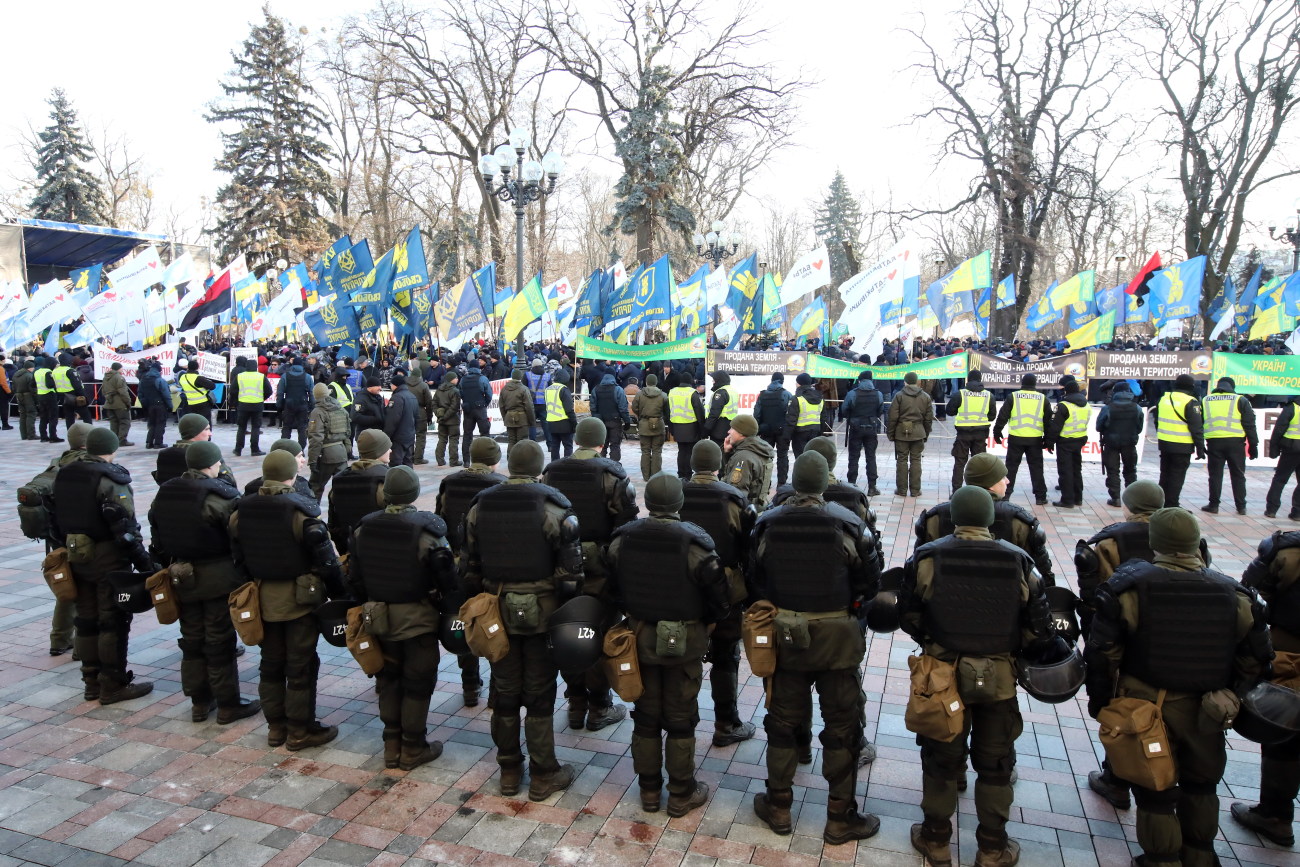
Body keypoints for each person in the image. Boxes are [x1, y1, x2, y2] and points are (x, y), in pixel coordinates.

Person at [1085, 508, 1271, 867]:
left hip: (1147, 706)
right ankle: (1200, 855)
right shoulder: (1234, 594)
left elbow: (1103, 653)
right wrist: (1233, 694)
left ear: (1155, 542)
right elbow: (1257, 658)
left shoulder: (1130, 589)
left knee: (1155, 789)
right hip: (1208, 709)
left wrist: (1101, 702)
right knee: (1202, 785)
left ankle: (1161, 859)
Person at [901, 485, 1056, 867]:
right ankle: (992, 848)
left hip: (943, 676)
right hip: (998, 678)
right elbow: (1038, 628)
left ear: (954, 517)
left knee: (940, 758)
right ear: (989, 518)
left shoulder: (927, 557)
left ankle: (936, 839)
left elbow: (909, 614)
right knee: (996, 764)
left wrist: (935, 643)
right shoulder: (1019, 561)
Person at [748, 452, 882, 844]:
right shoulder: (849, 524)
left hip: (785, 638)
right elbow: (870, 582)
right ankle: (840, 818)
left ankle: (778, 806)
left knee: (782, 723)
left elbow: (756, 579)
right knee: (842, 728)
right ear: (825, 483)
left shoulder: (767, 523)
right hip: (838, 641)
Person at [1075, 479, 1212, 811]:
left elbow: (1096, 599)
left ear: (1128, 506)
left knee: (1125, 710)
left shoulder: (1109, 542)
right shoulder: (1190, 540)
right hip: (1185, 646)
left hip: (1128, 642)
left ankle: (1117, 779)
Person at [461, 440, 582, 800]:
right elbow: (571, 577)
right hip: (543, 616)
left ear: (509, 465)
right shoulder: (554, 509)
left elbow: (468, 567)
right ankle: (544, 773)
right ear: (539, 468)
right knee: (540, 693)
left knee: (504, 689)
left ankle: (509, 770)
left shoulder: (480, 506)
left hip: (496, 614)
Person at [603, 472, 728, 817]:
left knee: (645, 716)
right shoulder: (696, 547)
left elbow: (613, 589)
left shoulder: (622, 540)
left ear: (648, 501)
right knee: (680, 718)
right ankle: (681, 792)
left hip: (639, 639)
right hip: (684, 644)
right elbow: (719, 601)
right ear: (679, 503)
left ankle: (648, 791)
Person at [230, 450, 346, 751]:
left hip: (262, 599)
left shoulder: (240, 512)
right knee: (300, 667)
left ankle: (276, 728)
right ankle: (300, 730)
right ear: (292, 476)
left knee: (270, 664)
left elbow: (238, 559)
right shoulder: (301, 514)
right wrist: (341, 598)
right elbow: (327, 563)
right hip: (299, 602)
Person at [348, 466, 456, 770]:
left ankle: (391, 745)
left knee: (388, 679)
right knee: (418, 683)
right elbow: (448, 580)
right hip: (418, 621)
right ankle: (413, 747)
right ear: (414, 493)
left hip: (377, 619)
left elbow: (354, 578)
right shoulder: (427, 533)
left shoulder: (363, 529)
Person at [148, 441, 260, 725]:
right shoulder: (220, 497)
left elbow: (157, 538)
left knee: (192, 640)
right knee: (219, 641)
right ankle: (228, 704)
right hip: (219, 578)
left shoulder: (166, 493)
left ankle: (199, 702)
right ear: (212, 464)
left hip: (181, 576)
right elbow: (240, 538)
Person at [542, 417, 637, 731]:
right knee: (597, 633)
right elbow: (626, 527)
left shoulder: (551, 471)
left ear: (577, 441)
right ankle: (599, 706)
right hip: (599, 569)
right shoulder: (611, 474)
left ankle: (575, 703)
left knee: (568, 630)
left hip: (560, 567)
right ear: (602, 443)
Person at [51, 428, 156, 704]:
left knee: (86, 619)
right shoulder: (110, 478)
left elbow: (54, 514)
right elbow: (125, 526)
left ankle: (91, 682)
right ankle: (112, 684)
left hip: (76, 554)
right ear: (112, 448)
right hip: (108, 556)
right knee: (112, 621)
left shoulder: (65, 472)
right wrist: (144, 562)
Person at [680, 440, 756, 747]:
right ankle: (727, 723)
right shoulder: (733, 498)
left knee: (684, 657)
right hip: (726, 588)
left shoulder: (677, 494)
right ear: (718, 466)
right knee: (726, 656)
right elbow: (747, 547)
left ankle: (684, 721)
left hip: (684, 586)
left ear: (693, 464)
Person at [1234, 528, 1300, 847]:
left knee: (1284, 734)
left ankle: (1275, 816)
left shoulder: (1287, 552)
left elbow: (1250, 596)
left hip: (1292, 657)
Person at [435, 437, 506, 707]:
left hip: (458, 565)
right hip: (489, 566)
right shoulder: (499, 485)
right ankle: (497, 690)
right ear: (494, 461)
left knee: (464, 621)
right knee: (495, 625)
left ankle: (469, 685)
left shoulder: (449, 482)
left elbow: (440, 521)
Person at [915, 453, 1056, 586]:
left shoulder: (936, 517)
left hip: (943, 597)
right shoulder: (1018, 521)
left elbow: (917, 567)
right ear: (990, 484)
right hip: (1005, 599)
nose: (1007, 481)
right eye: (1003, 477)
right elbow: (1041, 576)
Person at [23, 421, 94, 656]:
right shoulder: (86, 467)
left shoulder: (58, 462)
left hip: (57, 538)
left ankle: (59, 639)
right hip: (81, 539)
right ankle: (82, 647)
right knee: (87, 593)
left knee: (66, 589)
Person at [327, 429, 392, 553]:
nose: (390, 450)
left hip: (351, 551)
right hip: (381, 552)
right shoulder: (386, 481)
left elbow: (334, 526)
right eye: (387, 448)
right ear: (378, 451)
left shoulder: (340, 480)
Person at [1200, 376, 1257, 516]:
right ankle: (1241, 507)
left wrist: (1200, 444)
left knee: (1215, 475)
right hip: (1235, 443)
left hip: (1214, 442)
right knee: (1238, 475)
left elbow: (1199, 423)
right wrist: (1253, 445)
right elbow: (1249, 425)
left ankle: (1213, 505)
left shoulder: (1206, 400)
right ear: (1232, 387)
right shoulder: (1240, 400)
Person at [992, 373, 1051, 505]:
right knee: (1037, 468)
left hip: (1016, 438)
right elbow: (1048, 422)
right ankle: (1040, 497)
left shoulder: (1013, 396)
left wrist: (997, 431)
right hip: (1035, 439)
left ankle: (1006, 495)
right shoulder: (1042, 398)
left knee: (1011, 468)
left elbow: (1003, 415)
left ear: (1022, 383)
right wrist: (1048, 439)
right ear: (1035, 384)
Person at [1152, 373, 1206, 509]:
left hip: (1164, 443)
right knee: (1177, 476)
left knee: (1165, 475)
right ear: (1191, 386)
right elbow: (1196, 428)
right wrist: (1200, 448)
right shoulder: (1191, 402)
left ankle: (1161, 503)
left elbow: (1156, 420)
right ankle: (1172, 504)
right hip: (1182, 445)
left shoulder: (1164, 398)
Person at [947, 369, 995, 493]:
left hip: (963, 434)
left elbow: (949, 411)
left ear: (968, 379)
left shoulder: (960, 394)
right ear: (980, 380)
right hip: (980, 434)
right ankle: (978, 491)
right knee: (979, 465)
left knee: (959, 463)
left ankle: (956, 492)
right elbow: (992, 416)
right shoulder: (988, 395)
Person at [887, 371, 934, 498]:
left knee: (901, 460)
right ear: (917, 381)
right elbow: (928, 418)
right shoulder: (925, 397)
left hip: (901, 432)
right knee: (916, 460)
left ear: (905, 382)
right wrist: (925, 433)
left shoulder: (899, 396)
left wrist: (890, 433)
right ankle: (915, 490)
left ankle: (902, 490)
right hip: (919, 431)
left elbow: (892, 416)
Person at [1096, 381, 1143, 507]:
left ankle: (1115, 498)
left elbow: (1099, 426)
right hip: (1130, 443)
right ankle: (1131, 499)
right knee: (1131, 471)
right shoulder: (1137, 407)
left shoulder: (1108, 407)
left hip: (1111, 443)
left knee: (1112, 471)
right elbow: (1139, 427)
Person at [155, 414, 237, 487]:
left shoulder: (164, 454)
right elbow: (228, 481)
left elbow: (161, 481)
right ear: (194, 432)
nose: (210, 433)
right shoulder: (206, 453)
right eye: (206, 429)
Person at [1046, 375, 1089, 508]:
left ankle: (1067, 500)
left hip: (1065, 441)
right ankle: (1078, 498)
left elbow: (1055, 426)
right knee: (1076, 469)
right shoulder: (1086, 404)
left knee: (1066, 471)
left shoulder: (1064, 405)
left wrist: (1049, 442)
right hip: (1080, 439)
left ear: (1066, 391)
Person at [840, 371, 883, 496]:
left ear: (860, 380)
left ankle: (852, 485)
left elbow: (844, 410)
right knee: (871, 457)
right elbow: (880, 410)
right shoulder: (878, 394)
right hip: (871, 428)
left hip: (855, 428)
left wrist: (852, 417)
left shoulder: (852, 393)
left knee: (853, 457)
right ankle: (872, 487)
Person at [306, 383, 351, 500]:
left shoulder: (317, 412)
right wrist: (347, 451)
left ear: (315, 395)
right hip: (341, 454)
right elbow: (347, 433)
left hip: (325, 455)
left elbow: (316, 438)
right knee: (341, 489)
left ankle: (313, 511)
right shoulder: (341, 409)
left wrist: (312, 460)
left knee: (315, 488)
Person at [721, 414, 775, 509]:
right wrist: (727, 453)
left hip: (745, 512)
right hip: (758, 507)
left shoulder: (743, 457)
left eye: (732, 428)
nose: (728, 431)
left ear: (741, 433)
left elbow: (736, 495)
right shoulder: (759, 449)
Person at [1265, 391, 1300, 520]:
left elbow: (1279, 429)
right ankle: (1297, 512)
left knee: (1280, 479)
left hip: (1291, 447)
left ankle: (1271, 510)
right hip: (1292, 447)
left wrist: (1274, 449)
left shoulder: (1292, 407)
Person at [753, 373, 793, 487]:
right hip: (782, 431)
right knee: (782, 456)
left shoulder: (762, 395)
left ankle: (765, 483)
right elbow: (791, 414)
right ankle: (782, 484)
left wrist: (757, 430)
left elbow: (757, 414)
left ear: (771, 380)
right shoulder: (787, 394)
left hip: (766, 430)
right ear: (782, 381)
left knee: (765, 457)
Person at [243, 439, 313, 498]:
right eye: (299, 456)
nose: (303, 460)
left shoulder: (252, 487)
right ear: (287, 459)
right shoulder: (300, 488)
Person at [231, 356, 272, 457]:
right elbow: (269, 391)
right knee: (255, 427)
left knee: (241, 427)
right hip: (257, 404)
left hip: (243, 404)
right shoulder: (261, 376)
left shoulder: (240, 376)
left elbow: (232, 390)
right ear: (256, 367)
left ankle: (238, 449)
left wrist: (237, 400)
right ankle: (254, 449)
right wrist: (262, 398)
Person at [667, 375, 706, 479]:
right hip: (691, 426)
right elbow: (699, 412)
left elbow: (668, 411)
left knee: (681, 451)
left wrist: (671, 428)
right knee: (689, 451)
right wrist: (702, 429)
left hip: (677, 425)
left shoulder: (672, 392)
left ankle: (681, 473)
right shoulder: (692, 393)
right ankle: (688, 474)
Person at [630, 373, 666, 479]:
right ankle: (656, 476)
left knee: (645, 451)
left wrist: (641, 415)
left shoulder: (639, 394)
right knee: (657, 451)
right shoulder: (663, 395)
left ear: (646, 382)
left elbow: (634, 407)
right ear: (656, 382)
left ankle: (646, 476)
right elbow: (666, 410)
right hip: (658, 424)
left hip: (644, 424)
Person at [590, 371, 631, 463]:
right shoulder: (618, 390)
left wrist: (596, 418)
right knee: (615, 445)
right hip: (615, 421)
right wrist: (627, 421)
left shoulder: (595, 389)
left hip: (600, 422)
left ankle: (601, 465)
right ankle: (614, 465)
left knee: (602, 445)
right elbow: (623, 408)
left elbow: (593, 407)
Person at [276, 355, 314, 448]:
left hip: (289, 404)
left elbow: (280, 392)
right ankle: (301, 449)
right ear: (302, 365)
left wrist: (279, 405)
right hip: (302, 404)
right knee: (302, 428)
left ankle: (284, 448)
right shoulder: (307, 377)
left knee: (286, 427)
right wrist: (312, 406)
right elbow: (311, 393)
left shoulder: (285, 376)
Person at [383, 371, 418, 467]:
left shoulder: (397, 397)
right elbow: (417, 417)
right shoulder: (412, 396)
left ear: (395, 385)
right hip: (410, 435)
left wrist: (386, 435)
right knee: (408, 462)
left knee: (395, 463)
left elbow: (392, 419)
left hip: (398, 437)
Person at [459, 364, 492, 464]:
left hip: (468, 409)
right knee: (485, 434)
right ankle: (485, 459)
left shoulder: (463, 379)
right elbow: (489, 394)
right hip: (480, 408)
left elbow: (461, 393)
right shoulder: (482, 378)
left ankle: (466, 461)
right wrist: (485, 404)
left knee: (467, 435)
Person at [543, 369, 578, 462]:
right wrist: (574, 423)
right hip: (564, 423)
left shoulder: (548, 389)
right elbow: (569, 409)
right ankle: (567, 465)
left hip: (551, 422)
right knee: (568, 446)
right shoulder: (563, 389)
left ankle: (554, 465)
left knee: (554, 446)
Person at [499, 369, 536, 454]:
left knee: (511, 441)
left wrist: (505, 418)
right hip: (522, 418)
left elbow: (501, 406)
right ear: (520, 377)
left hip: (509, 417)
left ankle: (510, 458)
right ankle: (521, 460)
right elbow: (529, 406)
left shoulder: (504, 389)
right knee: (522, 441)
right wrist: (532, 421)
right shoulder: (524, 389)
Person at [786, 373, 824, 457]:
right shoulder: (820, 397)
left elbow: (791, 419)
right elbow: (823, 417)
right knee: (812, 456)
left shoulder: (797, 398)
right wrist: (821, 432)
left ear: (799, 384)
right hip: (815, 430)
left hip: (800, 432)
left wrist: (787, 436)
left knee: (801, 458)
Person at [407, 359, 435, 465]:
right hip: (420, 412)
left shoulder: (405, 384)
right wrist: (429, 416)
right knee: (421, 436)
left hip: (407, 411)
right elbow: (429, 402)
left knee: (408, 435)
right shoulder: (423, 385)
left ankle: (409, 456)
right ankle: (418, 458)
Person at [101, 362, 134, 447]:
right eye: (121, 368)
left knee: (114, 422)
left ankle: (114, 440)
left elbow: (103, 391)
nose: (122, 369)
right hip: (119, 403)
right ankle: (122, 440)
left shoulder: (106, 377)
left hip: (109, 403)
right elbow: (123, 392)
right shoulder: (119, 377)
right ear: (118, 368)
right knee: (124, 422)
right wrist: (128, 402)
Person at [433, 368, 462, 467]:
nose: (457, 379)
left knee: (442, 439)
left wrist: (439, 415)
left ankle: (440, 460)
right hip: (453, 420)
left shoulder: (439, 390)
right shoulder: (455, 391)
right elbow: (454, 407)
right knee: (453, 439)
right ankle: (453, 461)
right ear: (451, 379)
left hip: (441, 419)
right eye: (455, 378)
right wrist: (445, 416)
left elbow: (434, 403)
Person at [704, 371, 739, 448]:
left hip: (719, 429)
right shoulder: (732, 391)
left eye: (714, 379)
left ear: (719, 380)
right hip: (730, 426)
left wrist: (706, 429)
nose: (713, 381)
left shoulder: (720, 392)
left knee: (718, 452)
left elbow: (714, 413)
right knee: (727, 451)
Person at [176, 358, 215, 424]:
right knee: (205, 423)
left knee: (194, 423)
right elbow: (212, 386)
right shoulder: (198, 378)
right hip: (202, 403)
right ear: (197, 368)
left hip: (190, 403)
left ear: (188, 367)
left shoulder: (183, 377)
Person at [524, 359, 552, 443]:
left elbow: (523, 388)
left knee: (532, 424)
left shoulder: (527, 375)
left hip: (531, 403)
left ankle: (533, 443)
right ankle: (550, 444)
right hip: (544, 403)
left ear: (532, 366)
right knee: (546, 424)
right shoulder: (547, 376)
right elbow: (550, 389)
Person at [35, 358, 62, 442]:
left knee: (43, 417)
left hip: (40, 395)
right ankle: (53, 437)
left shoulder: (37, 372)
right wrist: (56, 383)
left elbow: (32, 384)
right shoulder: (48, 372)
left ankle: (43, 437)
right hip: (49, 395)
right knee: (53, 417)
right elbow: (49, 385)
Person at [13, 359, 36, 441]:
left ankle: (24, 435)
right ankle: (31, 435)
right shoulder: (29, 375)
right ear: (30, 367)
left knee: (22, 415)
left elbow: (13, 387)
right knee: (31, 414)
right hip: (28, 396)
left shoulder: (16, 374)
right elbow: (32, 388)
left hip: (18, 395)